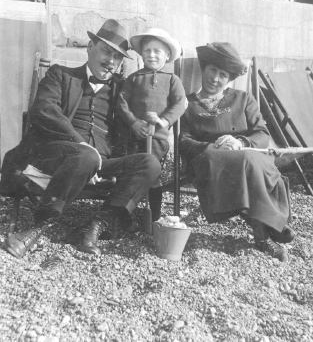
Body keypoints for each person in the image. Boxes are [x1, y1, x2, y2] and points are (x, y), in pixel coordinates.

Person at [2, 19, 161, 258]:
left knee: (150, 163)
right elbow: (45, 110)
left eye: (117, 57)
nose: (111, 61)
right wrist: (81, 144)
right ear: (89, 47)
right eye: (106, 51)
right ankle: (39, 228)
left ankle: (94, 226)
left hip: (101, 163)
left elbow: (156, 97)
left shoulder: (123, 90)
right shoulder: (61, 75)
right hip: (56, 155)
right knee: (85, 155)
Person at [179, 42, 295, 263]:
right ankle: (269, 229)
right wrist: (212, 146)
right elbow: (182, 140)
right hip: (211, 160)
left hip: (246, 155)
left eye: (223, 74)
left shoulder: (243, 99)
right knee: (246, 162)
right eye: (212, 70)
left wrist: (241, 142)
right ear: (204, 69)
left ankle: (263, 232)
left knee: (248, 159)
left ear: (229, 79)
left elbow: (262, 134)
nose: (215, 78)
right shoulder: (188, 104)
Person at [117, 28, 186, 221]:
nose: (152, 55)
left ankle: (154, 216)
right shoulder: (134, 78)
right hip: (135, 136)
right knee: (130, 173)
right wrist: (133, 123)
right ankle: (123, 214)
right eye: (147, 50)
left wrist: (163, 120)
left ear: (167, 55)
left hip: (157, 139)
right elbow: (122, 102)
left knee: (153, 175)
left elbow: (180, 103)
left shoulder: (172, 80)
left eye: (157, 51)